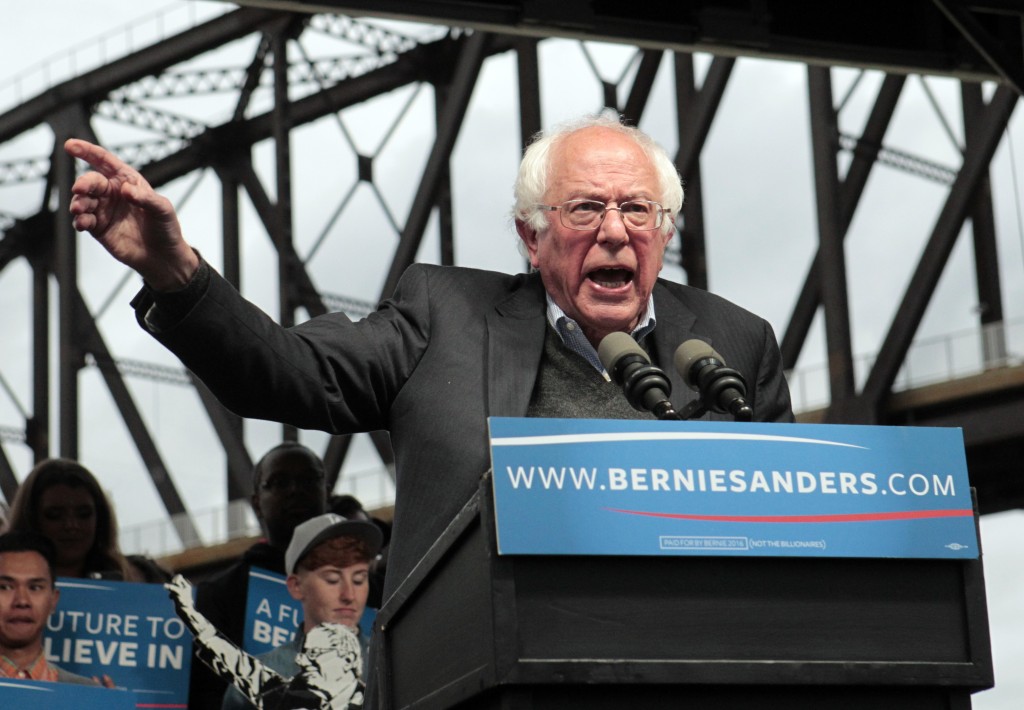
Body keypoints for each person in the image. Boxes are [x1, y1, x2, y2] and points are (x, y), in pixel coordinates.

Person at [65, 112, 793, 699]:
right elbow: (286, 372)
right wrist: (173, 270)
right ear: (531, 236)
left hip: (688, 677)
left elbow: (796, 528)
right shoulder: (443, 314)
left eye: (638, 209)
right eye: (584, 208)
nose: (614, 230)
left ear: (664, 232)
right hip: (476, 682)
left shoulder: (734, 341)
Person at [189, 442, 329, 708]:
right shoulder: (219, 596)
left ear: (327, 492)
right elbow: (205, 692)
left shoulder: (365, 590)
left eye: (308, 479)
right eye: (278, 482)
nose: (295, 491)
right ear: (256, 503)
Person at [220, 512, 383, 709]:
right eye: (332, 579)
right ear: (296, 586)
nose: (349, 594)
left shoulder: (393, 667)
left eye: (359, 579)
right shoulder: (253, 680)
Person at [5, 458, 169, 583]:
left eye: (84, 514)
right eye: (55, 515)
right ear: (30, 519)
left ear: (100, 519)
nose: (71, 525)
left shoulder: (145, 580)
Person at [0, 530, 106, 685]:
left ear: (53, 600)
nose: (22, 601)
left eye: (35, 588)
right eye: (6, 587)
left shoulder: (87, 694)